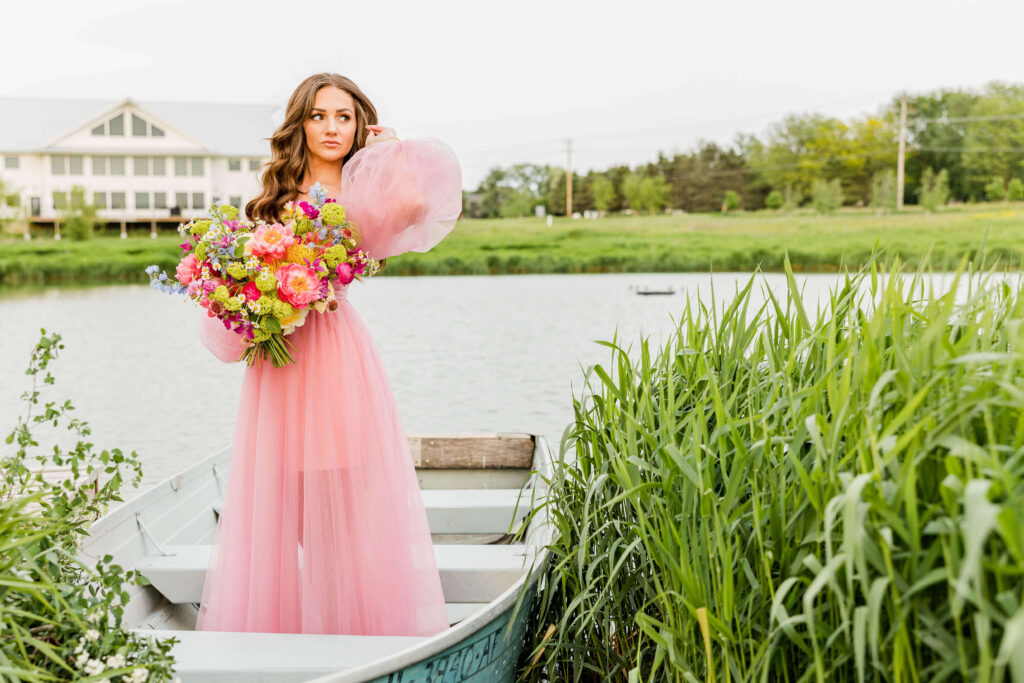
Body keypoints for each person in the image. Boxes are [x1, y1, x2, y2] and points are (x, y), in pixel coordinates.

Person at [192, 73, 462, 636]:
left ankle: (349, 633)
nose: (332, 128)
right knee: (286, 506)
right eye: (319, 116)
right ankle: (298, 633)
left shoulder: (364, 189)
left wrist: (388, 151)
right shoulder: (274, 198)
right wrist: (250, 297)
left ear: (359, 122)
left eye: (344, 116)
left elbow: (415, 204)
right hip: (278, 364)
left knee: (337, 509)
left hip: (334, 355)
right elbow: (244, 270)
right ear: (300, 124)